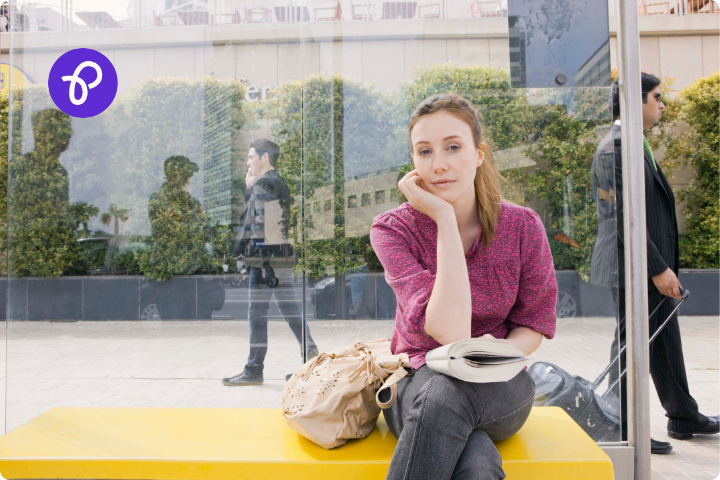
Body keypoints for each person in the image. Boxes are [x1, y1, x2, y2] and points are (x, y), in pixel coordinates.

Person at [370, 94, 557, 480]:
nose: (438, 164)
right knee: (477, 463)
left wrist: (489, 359)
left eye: (453, 147)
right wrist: (443, 218)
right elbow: (449, 331)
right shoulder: (393, 229)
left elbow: (534, 322)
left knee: (446, 398)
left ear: (479, 154)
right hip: (417, 377)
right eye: (424, 152)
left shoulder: (522, 226)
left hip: (499, 380)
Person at [590, 73, 718, 455]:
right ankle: (621, 426)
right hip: (633, 265)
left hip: (648, 263)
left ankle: (682, 415)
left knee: (662, 339)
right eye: (657, 97)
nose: (662, 104)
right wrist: (657, 267)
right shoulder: (614, 149)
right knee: (631, 346)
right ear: (636, 100)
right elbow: (622, 218)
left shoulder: (633, 144)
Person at [222, 139, 318, 386]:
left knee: (257, 314)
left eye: (251, 156)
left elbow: (257, 222)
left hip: (266, 259)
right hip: (277, 256)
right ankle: (312, 361)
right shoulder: (276, 182)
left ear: (265, 157)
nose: (248, 162)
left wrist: (258, 260)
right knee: (289, 310)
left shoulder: (265, 184)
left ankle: (254, 369)